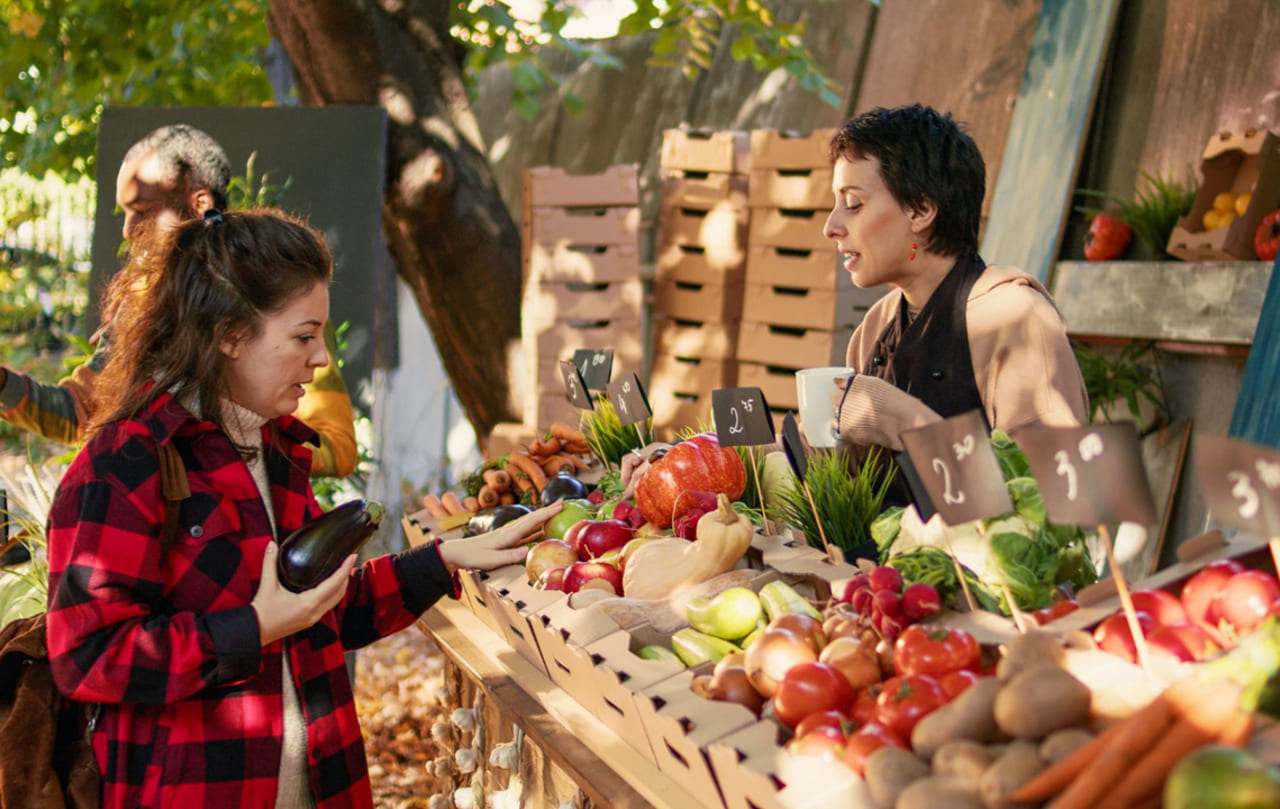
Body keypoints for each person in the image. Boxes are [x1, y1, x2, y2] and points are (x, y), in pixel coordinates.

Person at [43, 208, 562, 809]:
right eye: (303, 336)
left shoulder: (278, 447)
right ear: (231, 335)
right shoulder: (129, 460)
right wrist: (253, 628)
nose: (321, 359)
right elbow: (89, 658)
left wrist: (444, 558)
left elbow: (320, 612)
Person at [0, 124, 359, 478]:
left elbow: (336, 447)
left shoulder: (273, 298)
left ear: (200, 203)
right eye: (124, 213)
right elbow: (83, 413)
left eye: (142, 209)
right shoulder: (142, 303)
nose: (128, 230)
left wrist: (231, 446)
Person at [823, 104, 1088, 456]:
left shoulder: (1017, 320)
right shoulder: (877, 324)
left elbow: (1055, 492)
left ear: (919, 210)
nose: (831, 227)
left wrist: (904, 422)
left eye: (853, 203)